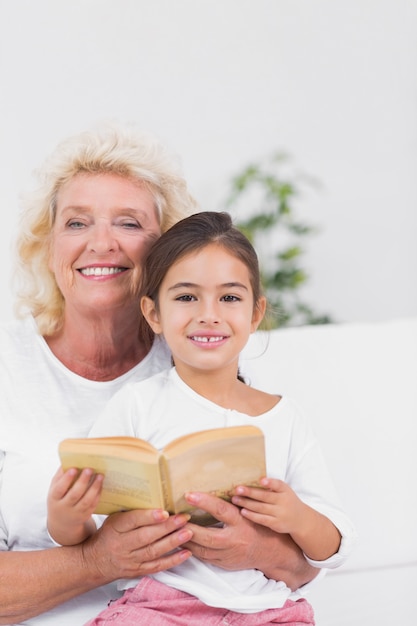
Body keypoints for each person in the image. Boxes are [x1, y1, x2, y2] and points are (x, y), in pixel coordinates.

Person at [0, 126, 319, 626]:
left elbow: (298, 568)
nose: (101, 243)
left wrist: (254, 548)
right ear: (49, 244)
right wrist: (95, 561)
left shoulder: (202, 361)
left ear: (165, 251)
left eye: (128, 223)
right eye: (77, 223)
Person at [47, 211, 356, 625]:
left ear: (255, 312)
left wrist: (296, 516)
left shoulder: (284, 418)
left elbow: (334, 547)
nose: (208, 314)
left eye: (229, 298)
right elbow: (92, 537)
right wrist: (66, 518)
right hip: (159, 605)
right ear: (153, 313)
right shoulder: (137, 404)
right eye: (186, 297)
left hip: (265, 610)